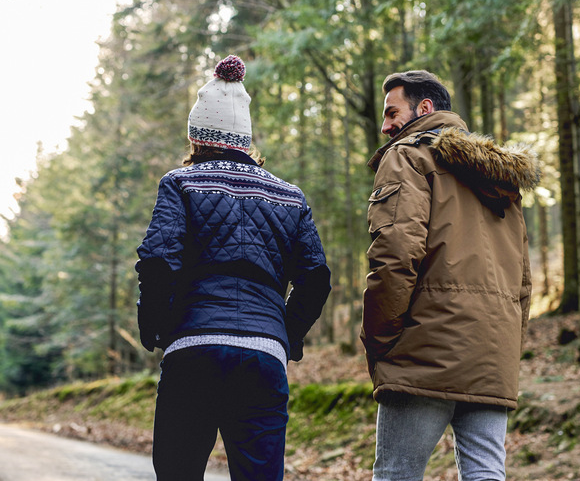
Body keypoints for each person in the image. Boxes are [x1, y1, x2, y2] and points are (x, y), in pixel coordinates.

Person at [135, 54, 331, 481]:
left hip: (193, 350)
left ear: (197, 137)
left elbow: (157, 262)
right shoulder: (291, 197)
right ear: (244, 139)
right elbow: (316, 278)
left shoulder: (180, 183)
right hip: (262, 357)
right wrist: (286, 334)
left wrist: (156, 325)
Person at [360, 70, 541, 481]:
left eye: (392, 112)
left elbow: (394, 255)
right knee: (485, 474)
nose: (385, 126)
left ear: (425, 109)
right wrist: (507, 345)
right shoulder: (500, 177)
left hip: (425, 348)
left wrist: (381, 341)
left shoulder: (406, 156)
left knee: (396, 474)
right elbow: (523, 282)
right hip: (492, 351)